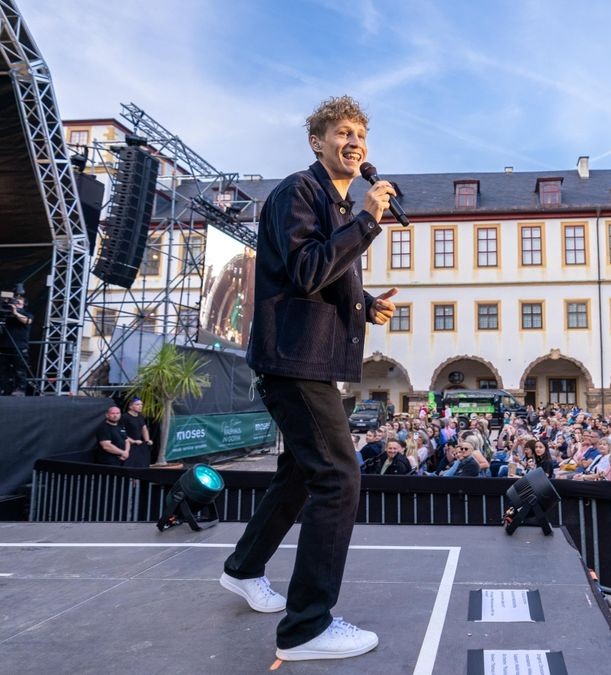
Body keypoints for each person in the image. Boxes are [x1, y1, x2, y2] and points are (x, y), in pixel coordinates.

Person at [219, 96, 399, 663]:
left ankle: (245, 568)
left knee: (299, 473)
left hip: (309, 358)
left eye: (361, 135)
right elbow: (302, 272)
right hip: (294, 360)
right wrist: (368, 221)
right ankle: (306, 628)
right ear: (317, 141)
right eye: (343, 132)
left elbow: (323, 273)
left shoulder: (338, 203)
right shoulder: (298, 192)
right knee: (340, 478)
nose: (355, 143)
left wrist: (365, 304)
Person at [0, 295, 32, 396]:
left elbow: (28, 321)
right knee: (2, 369)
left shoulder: (25, 314)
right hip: (3, 345)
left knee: (20, 369)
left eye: (18, 303)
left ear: (23, 305)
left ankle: (20, 389)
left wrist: (15, 312)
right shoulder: (4, 316)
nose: (15, 305)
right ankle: (3, 389)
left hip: (19, 346)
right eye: (14, 303)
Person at [121, 397, 152, 468]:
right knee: (129, 465)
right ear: (130, 406)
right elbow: (121, 433)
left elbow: (144, 429)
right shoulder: (124, 417)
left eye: (141, 404)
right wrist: (133, 441)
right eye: (137, 404)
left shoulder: (140, 417)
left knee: (140, 464)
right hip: (127, 445)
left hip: (139, 444)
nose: (140, 406)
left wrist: (147, 440)